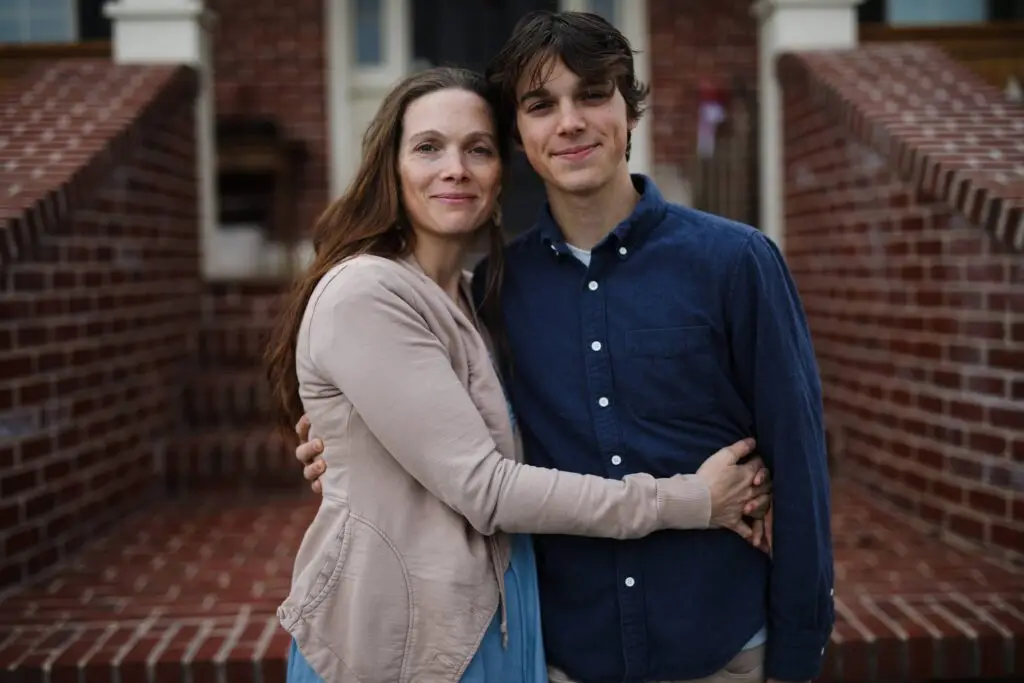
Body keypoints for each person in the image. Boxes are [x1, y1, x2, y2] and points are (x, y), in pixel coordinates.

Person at [266, 65, 773, 683]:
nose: (455, 167)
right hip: (401, 651)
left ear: (501, 173)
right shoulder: (367, 293)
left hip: (500, 632)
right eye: (428, 147)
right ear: (390, 168)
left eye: (477, 149)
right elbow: (488, 488)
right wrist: (691, 500)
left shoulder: (484, 300)